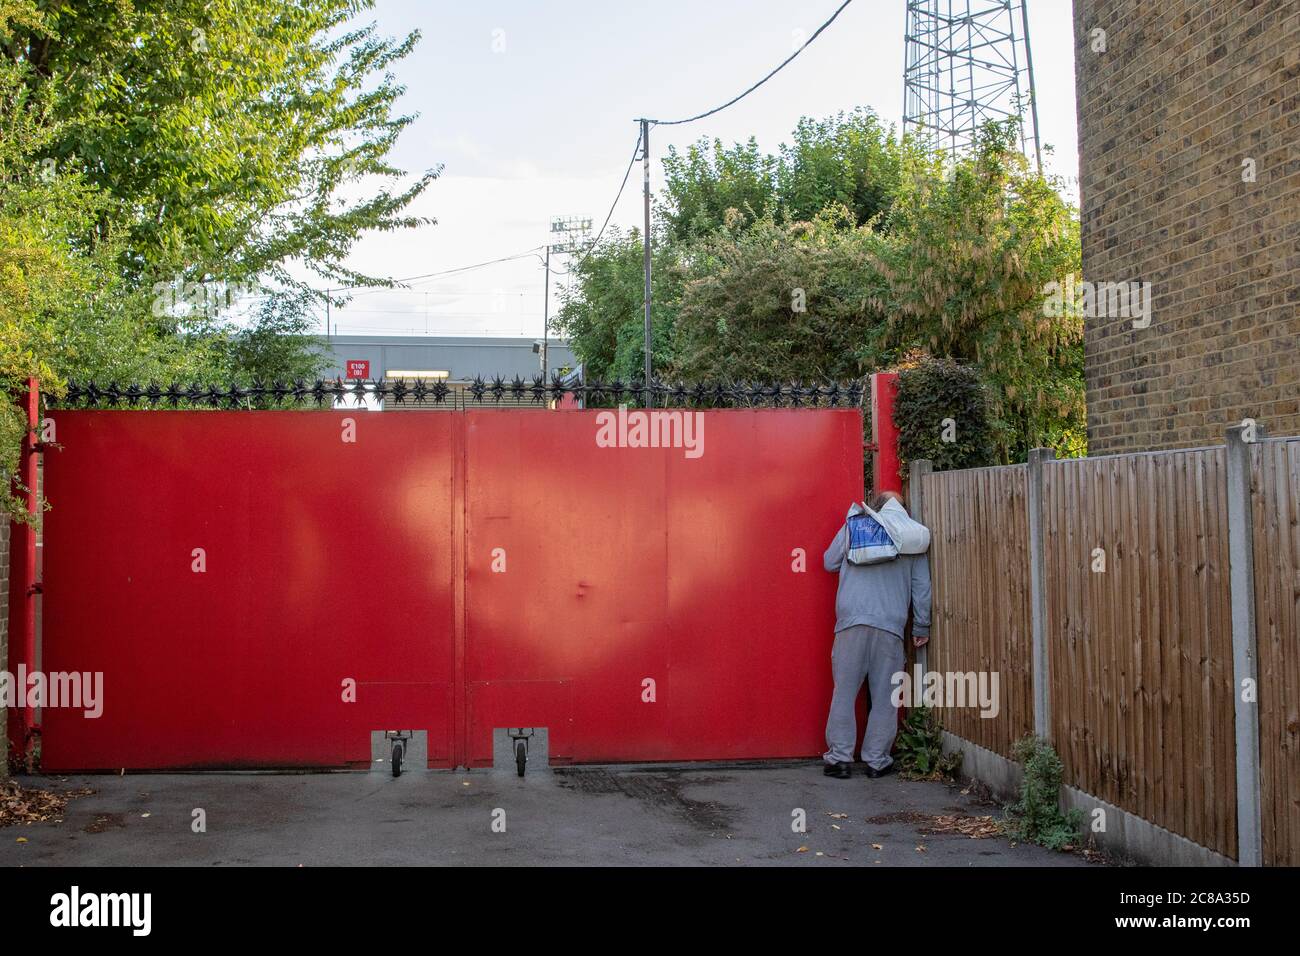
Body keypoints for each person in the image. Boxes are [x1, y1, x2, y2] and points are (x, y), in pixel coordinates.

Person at [821, 490, 931, 779]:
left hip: (850, 624)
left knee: (844, 693)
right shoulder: (913, 538)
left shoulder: (855, 526)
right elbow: (921, 587)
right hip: (890, 627)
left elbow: (829, 562)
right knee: (885, 697)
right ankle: (876, 761)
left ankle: (840, 760)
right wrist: (921, 626)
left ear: (875, 507)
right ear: (903, 509)